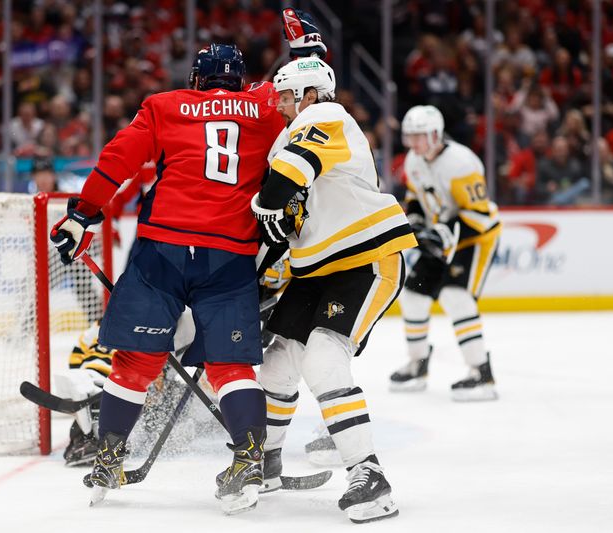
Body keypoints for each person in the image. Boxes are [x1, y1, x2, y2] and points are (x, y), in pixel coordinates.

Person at [50, 44, 286, 514]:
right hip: (230, 253)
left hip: (163, 249)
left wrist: (83, 215)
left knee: (136, 358)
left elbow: (117, 160)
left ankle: (110, 456)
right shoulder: (268, 108)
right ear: (240, 80)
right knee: (230, 365)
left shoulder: (164, 105)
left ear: (197, 79)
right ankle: (249, 461)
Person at [249, 56, 417, 523]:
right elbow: (281, 222)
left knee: (323, 357)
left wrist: (266, 206)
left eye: (286, 95)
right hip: (314, 271)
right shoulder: (285, 139)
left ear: (309, 94)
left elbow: (283, 186)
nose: (279, 103)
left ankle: (369, 475)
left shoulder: (327, 115)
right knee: (279, 361)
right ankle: (266, 463)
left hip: (366, 259)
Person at [389, 105, 501, 401]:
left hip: (474, 238)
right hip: (443, 236)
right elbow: (416, 197)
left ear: (436, 134)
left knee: (456, 297)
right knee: (413, 297)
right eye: (409, 136)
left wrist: (442, 232)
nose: (413, 143)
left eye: (420, 136)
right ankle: (417, 364)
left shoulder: (462, 163)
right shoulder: (414, 160)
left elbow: (478, 214)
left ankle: (481, 372)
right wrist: (415, 218)